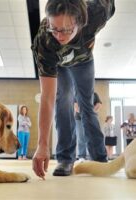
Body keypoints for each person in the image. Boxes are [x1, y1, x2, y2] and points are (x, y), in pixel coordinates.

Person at [31, 0, 115, 178]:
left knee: (87, 105)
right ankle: (65, 158)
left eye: (66, 29)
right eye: (54, 28)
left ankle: (99, 158)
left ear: (80, 20)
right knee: (63, 101)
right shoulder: (44, 40)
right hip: (59, 65)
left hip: (84, 61)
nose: (59, 36)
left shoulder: (97, 12)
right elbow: (46, 98)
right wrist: (42, 144)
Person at [74, 92, 102, 162]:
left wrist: (90, 112)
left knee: (93, 136)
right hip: (79, 119)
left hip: (92, 118)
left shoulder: (95, 94)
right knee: (81, 137)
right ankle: (81, 156)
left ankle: (93, 156)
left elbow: (98, 105)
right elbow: (76, 107)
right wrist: (85, 113)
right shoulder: (77, 94)